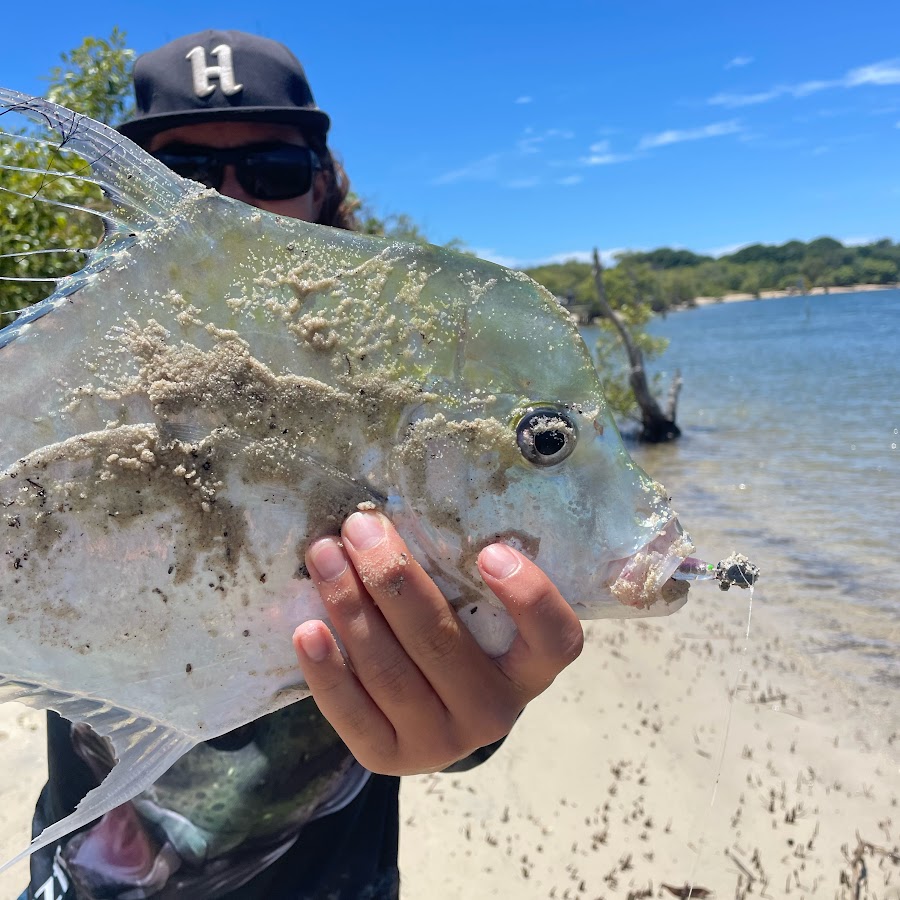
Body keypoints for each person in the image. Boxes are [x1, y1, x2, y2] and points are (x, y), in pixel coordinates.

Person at [23, 30, 584, 900]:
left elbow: (455, 623)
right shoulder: (61, 367)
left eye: (271, 169)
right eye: (183, 177)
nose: (228, 202)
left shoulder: (412, 373)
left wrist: (469, 721)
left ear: (323, 185)